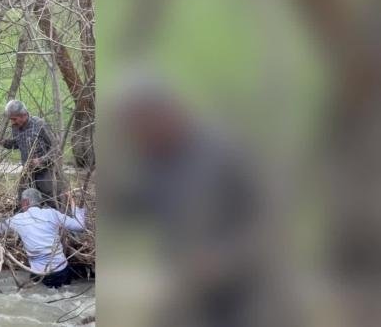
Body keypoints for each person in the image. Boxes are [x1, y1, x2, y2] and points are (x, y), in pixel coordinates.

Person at [111, 72, 271, 327]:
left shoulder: (226, 152)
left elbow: (268, 224)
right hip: (184, 292)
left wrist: (223, 259)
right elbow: (134, 209)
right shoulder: (154, 160)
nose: (139, 136)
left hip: (242, 296)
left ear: (166, 113)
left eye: (143, 125)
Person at [0, 188, 86, 288]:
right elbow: (79, 226)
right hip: (61, 270)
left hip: (40, 275)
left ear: (26, 202)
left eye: (21, 202)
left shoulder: (18, 219)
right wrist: (72, 202)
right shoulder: (52, 214)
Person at [0, 100, 63, 209]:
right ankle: (24, 221)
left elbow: (56, 147)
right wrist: (4, 142)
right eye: (11, 119)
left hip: (45, 170)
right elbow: (17, 143)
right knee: (23, 199)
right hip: (27, 171)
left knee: (51, 198)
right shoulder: (15, 128)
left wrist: (41, 160)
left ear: (23, 115)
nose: (12, 122)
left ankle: (58, 219)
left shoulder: (39, 124)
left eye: (14, 119)